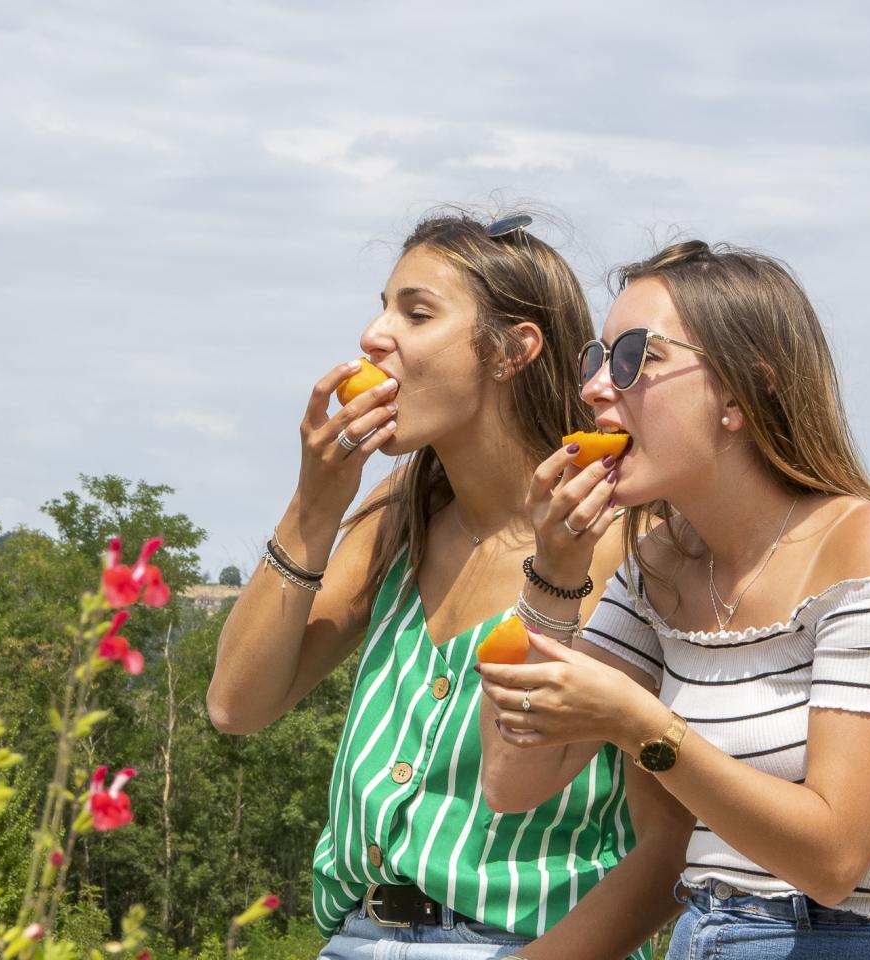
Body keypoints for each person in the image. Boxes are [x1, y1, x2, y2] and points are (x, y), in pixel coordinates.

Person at [209, 212, 687, 959]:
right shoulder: (396, 512)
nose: (374, 335)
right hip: (353, 938)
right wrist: (314, 507)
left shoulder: (631, 542)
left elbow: (669, 844)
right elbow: (237, 704)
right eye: (384, 305)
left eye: (416, 312)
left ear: (512, 351)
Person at [477, 240, 870, 958]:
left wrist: (642, 726)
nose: (594, 390)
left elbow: (834, 861)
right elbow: (513, 780)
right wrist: (554, 569)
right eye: (594, 359)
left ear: (743, 390)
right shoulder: (660, 567)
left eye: (635, 357)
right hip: (705, 932)